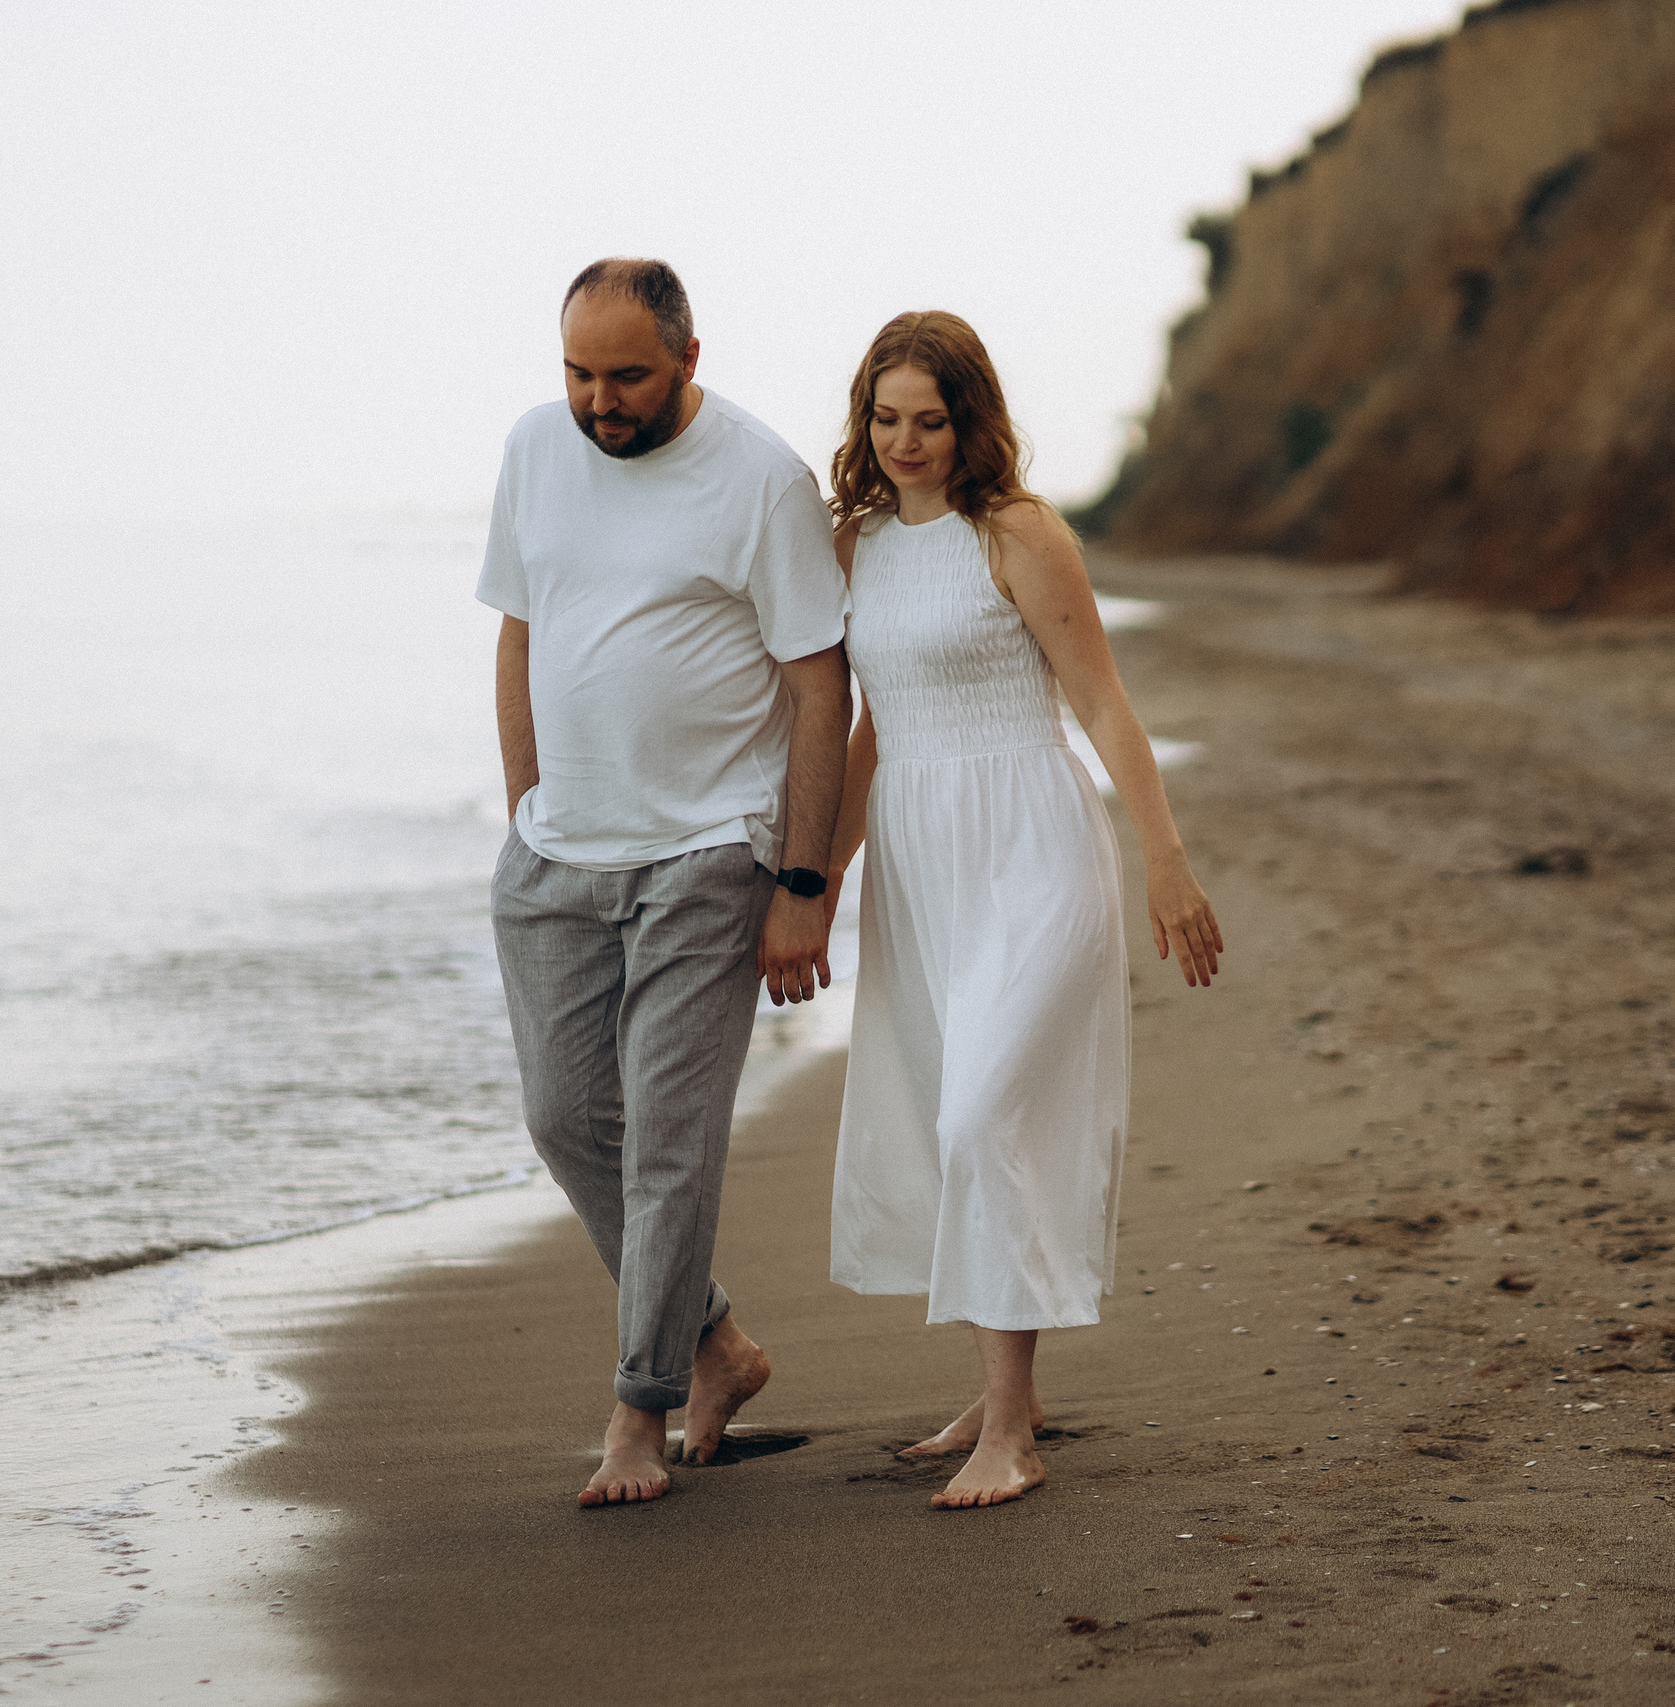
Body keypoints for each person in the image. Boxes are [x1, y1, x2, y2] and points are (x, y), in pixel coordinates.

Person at [821, 310, 1222, 1510]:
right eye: (886, 419)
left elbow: (1100, 704)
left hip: (1030, 848)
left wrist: (1165, 860)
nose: (905, 443)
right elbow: (871, 730)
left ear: (970, 421)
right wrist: (817, 879)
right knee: (947, 1107)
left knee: (983, 1115)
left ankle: (1010, 1437)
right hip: (918, 858)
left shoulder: (1018, 533)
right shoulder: (855, 545)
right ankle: (1009, 1393)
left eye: (929, 421)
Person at [479, 258, 852, 1508]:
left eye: (627, 376)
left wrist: (801, 880)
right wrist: (527, 806)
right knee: (563, 1118)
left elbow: (819, 687)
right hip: (557, 854)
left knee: (668, 1148)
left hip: (707, 849)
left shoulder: (762, 479)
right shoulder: (534, 450)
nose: (600, 402)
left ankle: (639, 1412)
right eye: (578, 373)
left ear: (690, 357)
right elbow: (520, 630)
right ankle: (716, 1344)